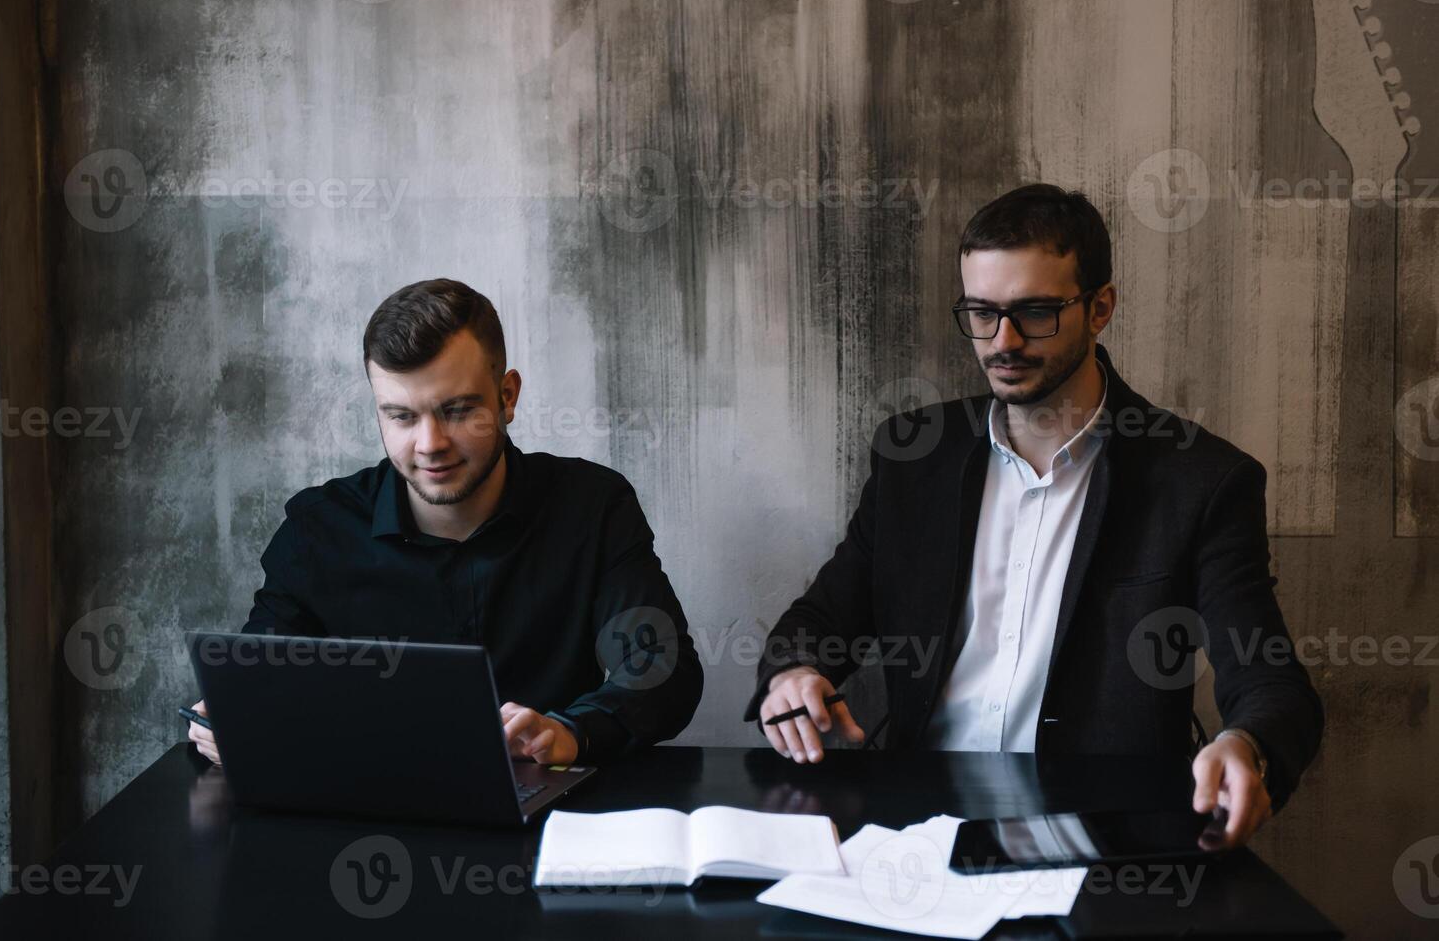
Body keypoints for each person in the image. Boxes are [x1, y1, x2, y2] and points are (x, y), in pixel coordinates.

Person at [745, 184, 1323, 848]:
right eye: (981, 313)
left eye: (1036, 313)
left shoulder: (1200, 480)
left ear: (1100, 307)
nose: (1003, 341)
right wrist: (796, 674)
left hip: (1104, 837)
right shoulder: (913, 459)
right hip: (915, 826)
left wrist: (1247, 743)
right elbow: (818, 623)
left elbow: (1269, 676)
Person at [190, 278, 702, 767]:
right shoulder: (318, 529)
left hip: (552, 814)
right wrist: (228, 720)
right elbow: (257, 680)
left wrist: (571, 732)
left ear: (507, 397)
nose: (430, 443)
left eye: (457, 410)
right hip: (362, 818)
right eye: (401, 416)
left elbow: (662, 671)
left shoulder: (592, 506)